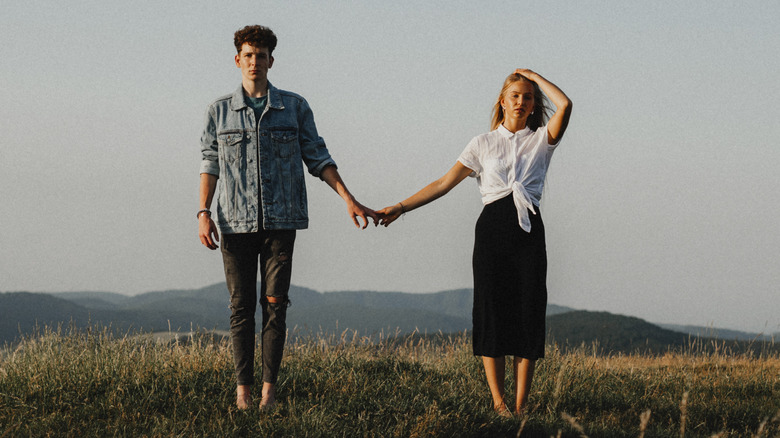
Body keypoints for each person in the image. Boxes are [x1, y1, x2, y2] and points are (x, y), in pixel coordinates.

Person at [198, 25, 377, 410]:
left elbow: (318, 158)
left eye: (260, 55)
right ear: (237, 60)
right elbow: (210, 164)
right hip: (233, 223)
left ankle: (268, 391)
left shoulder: (294, 107)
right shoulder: (219, 111)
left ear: (271, 61)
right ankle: (242, 391)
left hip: (281, 223)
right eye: (247, 55)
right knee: (241, 307)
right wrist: (202, 212)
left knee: (275, 303)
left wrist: (348, 199)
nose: (254, 62)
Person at [377, 69, 571, 415]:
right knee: (491, 311)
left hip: (529, 232)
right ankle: (499, 404)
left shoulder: (542, 139)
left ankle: (521, 405)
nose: (521, 102)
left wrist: (533, 77)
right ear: (502, 100)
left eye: (528, 97)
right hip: (493, 232)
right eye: (515, 95)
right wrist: (401, 207)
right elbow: (443, 183)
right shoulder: (482, 143)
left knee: (528, 313)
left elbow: (566, 105)